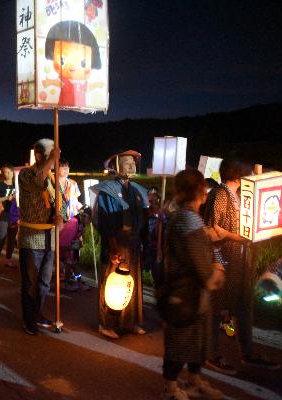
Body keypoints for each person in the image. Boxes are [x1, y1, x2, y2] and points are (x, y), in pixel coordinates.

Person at [203, 159, 280, 373]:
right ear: (237, 175)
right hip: (224, 261)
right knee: (217, 308)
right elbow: (210, 229)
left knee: (244, 307)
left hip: (241, 262)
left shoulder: (240, 195)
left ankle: (248, 352)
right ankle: (212, 354)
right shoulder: (219, 194)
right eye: (247, 171)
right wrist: (238, 238)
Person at [161, 169, 226, 400]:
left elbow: (205, 247)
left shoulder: (187, 215)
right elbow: (200, 261)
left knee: (196, 337)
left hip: (192, 292)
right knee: (182, 339)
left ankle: (194, 379)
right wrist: (215, 273)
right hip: (186, 292)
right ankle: (171, 387)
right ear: (201, 192)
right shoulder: (187, 219)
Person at [91, 150, 148, 339]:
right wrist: (112, 246)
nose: (131, 166)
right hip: (116, 241)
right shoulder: (108, 189)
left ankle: (130, 321)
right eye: (126, 162)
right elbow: (105, 219)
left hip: (132, 242)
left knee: (133, 282)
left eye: (133, 162)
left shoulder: (135, 189)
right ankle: (106, 323)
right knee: (112, 281)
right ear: (116, 167)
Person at [17, 139, 64, 335]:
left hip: (49, 238)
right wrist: (52, 159)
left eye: (55, 154)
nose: (55, 158)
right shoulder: (27, 174)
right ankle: (29, 320)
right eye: (50, 154)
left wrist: (60, 215)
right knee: (30, 282)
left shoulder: (53, 178)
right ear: (38, 156)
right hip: (31, 236)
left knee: (45, 282)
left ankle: (37, 313)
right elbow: (38, 181)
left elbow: (60, 201)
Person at [42, 20, 103, 108]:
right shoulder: (65, 81)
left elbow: (88, 88)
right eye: (62, 60)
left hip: (80, 106)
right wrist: (49, 82)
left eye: (83, 63)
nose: (72, 66)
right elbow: (58, 83)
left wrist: (97, 84)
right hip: (64, 104)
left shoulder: (82, 83)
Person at [0, 164, 17, 270]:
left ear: (13, 172)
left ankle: (8, 260)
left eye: (9, 172)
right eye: (5, 172)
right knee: (1, 237)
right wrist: (7, 198)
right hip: (4, 214)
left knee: (11, 239)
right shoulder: (1, 185)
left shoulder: (17, 185)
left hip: (14, 215)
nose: (7, 174)